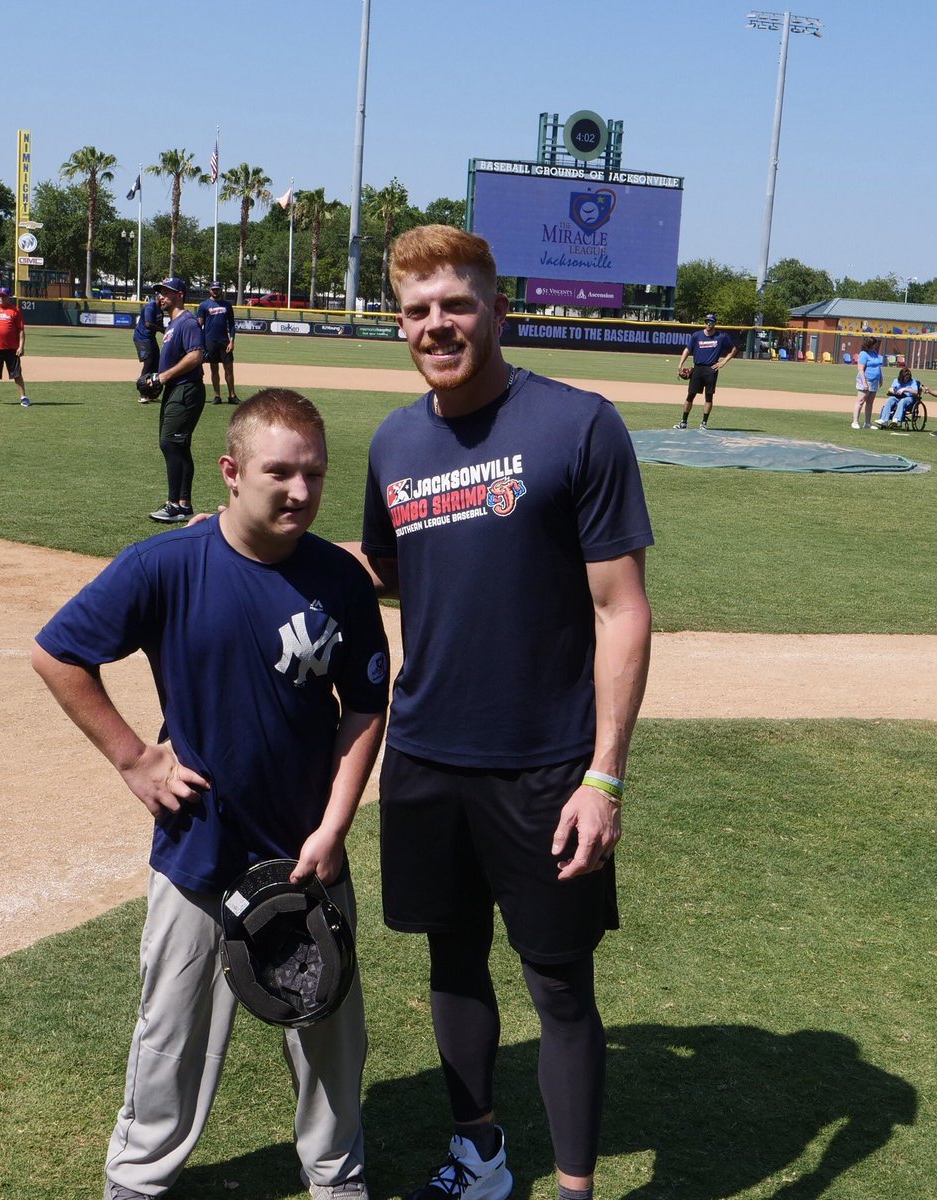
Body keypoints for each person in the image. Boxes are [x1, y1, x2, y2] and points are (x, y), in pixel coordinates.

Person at [31, 388, 389, 1200]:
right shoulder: (165, 565)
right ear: (230, 472)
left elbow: (366, 705)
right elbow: (57, 653)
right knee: (172, 1031)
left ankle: (336, 1178)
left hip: (306, 852)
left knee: (329, 1027)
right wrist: (132, 759)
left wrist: (335, 827)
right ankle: (140, 1179)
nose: (300, 491)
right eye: (280, 473)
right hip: (197, 847)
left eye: (315, 474)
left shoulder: (340, 580)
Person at [356, 226, 653, 1200]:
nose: (434, 325)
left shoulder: (578, 426)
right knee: (450, 961)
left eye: (454, 304)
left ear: (496, 310)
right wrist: (233, 549)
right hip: (428, 753)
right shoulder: (394, 441)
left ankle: (572, 1189)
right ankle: (478, 1155)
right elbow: (388, 574)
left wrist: (602, 775)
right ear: (398, 323)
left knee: (559, 984)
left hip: (546, 766)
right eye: (415, 310)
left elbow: (620, 611)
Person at [147, 277, 207, 523]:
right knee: (179, 446)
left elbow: (196, 356)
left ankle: (174, 504)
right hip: (176, 390)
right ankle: (183, 505)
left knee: (170, 443)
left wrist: (163, 377)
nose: (161, 296)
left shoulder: (187, 322)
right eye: (159, 292)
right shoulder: (171, 325)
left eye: (166, 292)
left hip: (186, 390)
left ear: (180, 294)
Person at [673, 312, 736, 429]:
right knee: (690, 395)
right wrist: (680, 364)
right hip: (697, 368)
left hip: (711, 369)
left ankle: (704, 423)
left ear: (714, 323)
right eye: (707, 322)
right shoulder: (697, 335)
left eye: (711, 322)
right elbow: (687, 350)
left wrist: (723, 362)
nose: (708, 324)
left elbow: (733, 349)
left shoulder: (721, 337)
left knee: (708, 397)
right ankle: (683, 421)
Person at [197, 280, 240, 405]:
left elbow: (231, 325)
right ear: (210, 290)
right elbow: (199, 324)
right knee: (214, 369)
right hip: (210, 341)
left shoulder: (227, 305)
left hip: (224, 341)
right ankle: (217, 396)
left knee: (229, 369)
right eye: (213, 289)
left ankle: (232, 396)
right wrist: (201, 343)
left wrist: (231, 341)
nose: (216, 291)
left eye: (218, 289)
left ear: (221, 290)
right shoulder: (204, 305)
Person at [132, 284, 166, 403]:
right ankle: (143, 393)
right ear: (157, 297)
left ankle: (151, 392)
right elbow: (148, 324)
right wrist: (163, 330)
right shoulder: (150, 307)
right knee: (148, 363)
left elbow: (160, 325)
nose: (163, 298)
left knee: (156, 363)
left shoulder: (160, 310)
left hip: (150, 338)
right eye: (161, 296)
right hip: (141, 338)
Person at [852, 336, 883, 429]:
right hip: (865, 380)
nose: (876, 346)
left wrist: (881, 377)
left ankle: (867, 423)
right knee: (861, 401)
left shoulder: (874, 352)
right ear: (869, 344)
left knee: (870, 402)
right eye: (874, 344)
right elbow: (860, 369)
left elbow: (878, 366)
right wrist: (864, 382)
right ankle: (855, 422)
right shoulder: (863, 354)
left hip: (874, 381)